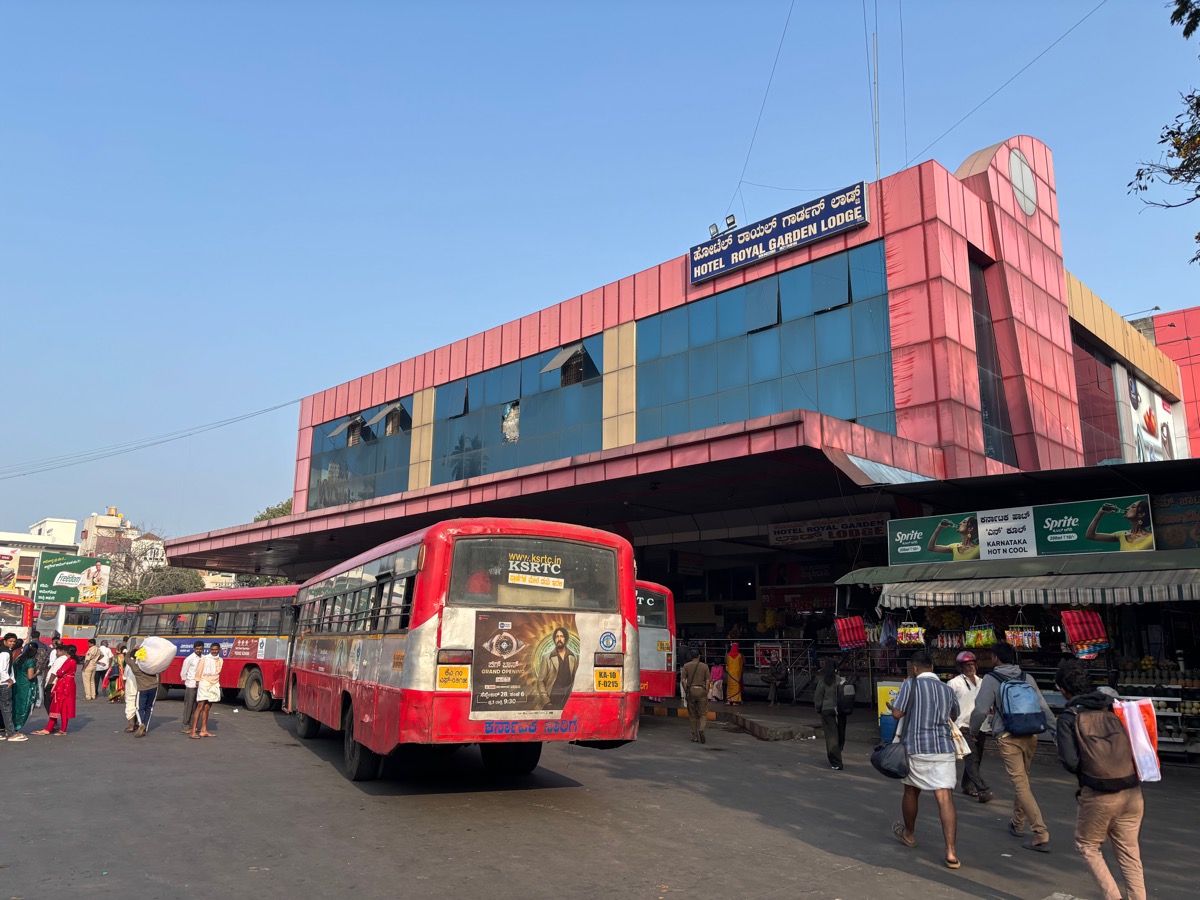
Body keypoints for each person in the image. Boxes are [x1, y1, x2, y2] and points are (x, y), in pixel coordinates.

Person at [1055, 659, 1146, 900]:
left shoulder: (1068, 717)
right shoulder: (1115, 707)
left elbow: (1070, 762)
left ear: (1063, 690)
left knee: (1087, 845)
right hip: (1132, 790)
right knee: (1129, 853)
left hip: (1098, 793)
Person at [970, 641, 1057, 852]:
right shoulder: (1027, 677)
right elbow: (1044, 707)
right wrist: (1056, 733)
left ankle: (1040, 831)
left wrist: (973, 730)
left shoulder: (991, 679)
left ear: (996, 659)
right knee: (1023, 781)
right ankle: (1017, 823)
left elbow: (981, 709)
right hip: (1030, 734)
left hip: (1008, 735)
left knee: (1020, 783)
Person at [889, 650, 961, 869]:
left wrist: (893, 707)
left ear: (914, 668)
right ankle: (950, 852)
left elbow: (897, 714)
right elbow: (954, 715)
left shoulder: (910, 685)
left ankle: (909, 834)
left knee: (911, 790)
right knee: (945, 798)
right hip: (943, 748)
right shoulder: (947, 689)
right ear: (932, 667)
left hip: (916, 747)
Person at [948, 651, 994, 802]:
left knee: (977, 758)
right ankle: (982, 789)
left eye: (972, 665)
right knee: (971, 757)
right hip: (962, 725)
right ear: (960, 667)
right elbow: (948, 704)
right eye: (966, 665)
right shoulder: (954, 683)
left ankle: (967, 785)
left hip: (981, 725)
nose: (970, 668)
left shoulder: (983, 682)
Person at [33, 644, 78, 735]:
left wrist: (50, 683)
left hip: (64, 685)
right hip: (64, 684)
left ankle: (60, 728)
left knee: (61, 706)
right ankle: (52, 727)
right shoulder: (70, 660)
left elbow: (60, 672)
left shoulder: (70, 661)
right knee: (57, 706)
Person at [812, 658, 845, 770]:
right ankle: (839, 750)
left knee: (831, 736)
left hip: (827, 710)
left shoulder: (823, 681)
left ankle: (836, 762)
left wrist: (818, 709)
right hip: (840, 711)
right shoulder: (840, 680)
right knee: (840, 733)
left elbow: (818, 698)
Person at [1085, 500, 1153, 552]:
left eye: (1132, 507)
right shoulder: (1121, 535)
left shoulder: (1151, 537)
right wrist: (1100, 513)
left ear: (1141, 514)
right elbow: (1090, 536)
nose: (1127, 508)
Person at [536, 627, 577, 710]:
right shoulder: (547, 658)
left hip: (568, 701)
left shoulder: (573, 657)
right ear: (554, 639)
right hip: (552, 701)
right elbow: (540, 681)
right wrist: (546, 701)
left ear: (566, 639)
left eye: (562, 636)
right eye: (557, 637)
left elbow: (576, 680)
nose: (559, 639)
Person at [191, 642, 224, 739]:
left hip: (214, 683)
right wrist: (197, 681)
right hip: (204, 682)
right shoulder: (205, 659)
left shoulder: (221, 660)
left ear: (219, 650)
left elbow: (218, 673)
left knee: (207, 707)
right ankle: (193, 731)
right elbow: (199, 671)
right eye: (212, 650)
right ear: (210, 650)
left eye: (216, 650)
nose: (214, 651)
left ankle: (203, 730)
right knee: (200, 706)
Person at [680, 648, 710, 744]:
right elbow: (708, 681)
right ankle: (701, 729)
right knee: (703, 714)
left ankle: (694, 736)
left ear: (691, 657)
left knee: (692, 715)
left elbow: (683, 680)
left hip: (691, 691)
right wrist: (706, 691)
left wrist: (686, 690)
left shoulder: (686, 666)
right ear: (699, 656)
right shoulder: (705, 667)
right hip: (702, 691)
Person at [11, 639, 40, 735]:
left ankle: (11, 725)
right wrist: (37, 672)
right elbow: (30, 676)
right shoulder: (30, 661)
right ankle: (17, 727)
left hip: (17, 684)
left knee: (15, 705)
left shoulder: (19, 658)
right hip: (26, 686)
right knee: (24, 707)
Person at [129, 650, 160, 737]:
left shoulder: (135, 667)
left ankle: (141, 723)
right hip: (154, 688)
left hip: (142, 689)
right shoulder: (150, 666)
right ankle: (145, 729)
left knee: (139, 708)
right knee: (149, 708)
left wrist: (134, 649)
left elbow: (127, 658)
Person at [0, 633, 24, 742]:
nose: (12, 643)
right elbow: (2, 670)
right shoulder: (5, 653)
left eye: (14, 641)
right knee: (7, 708)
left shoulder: (4, 651)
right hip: (4, 684)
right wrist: (9, 680)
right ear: (5, 641)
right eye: (10, 641)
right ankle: (10, 733)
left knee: (2, 708)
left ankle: (3, 731)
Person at [180, 641, 205, 734]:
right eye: (197, 649)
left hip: (200, 685)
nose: (199, 650)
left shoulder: (204, 658)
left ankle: (192, 725)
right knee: (189, 706)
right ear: (194, 648)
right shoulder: (189, 659)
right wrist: (188, 681)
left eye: (200, 649)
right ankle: (185, 726)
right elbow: (183, 672)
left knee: (196, 706)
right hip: (191, 684)